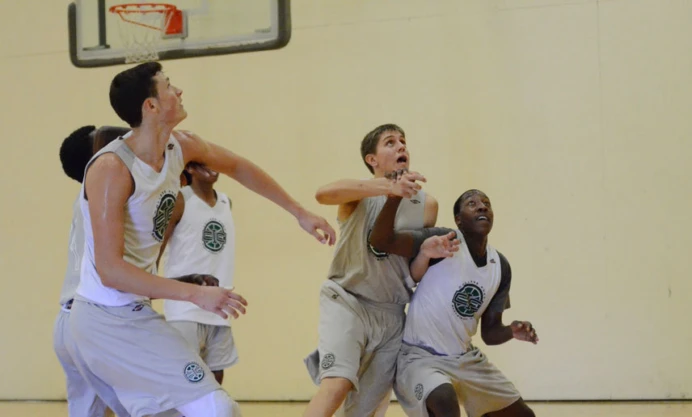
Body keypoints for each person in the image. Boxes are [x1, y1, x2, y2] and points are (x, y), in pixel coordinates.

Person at [68, 61, 336, 417]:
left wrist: (298, 211)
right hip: (104, 319)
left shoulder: (182, 146)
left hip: (132, 312)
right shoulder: (112, 169)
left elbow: (239, 167)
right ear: (150, 106)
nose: (178, 91)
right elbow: (111, 271)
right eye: (168, 86)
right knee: (216, 408)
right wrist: (197, 294)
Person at [303, 124, 438, 417]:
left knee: (366, 408)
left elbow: (413, 270)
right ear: (371, 159)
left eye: (403, 141)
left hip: (391, 312)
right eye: (390, 142)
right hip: (347, 300)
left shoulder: (427, 204)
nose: (401, 146)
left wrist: (427, 255)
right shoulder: (359, 192)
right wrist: (387, 187)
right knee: (337, 383)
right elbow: (322, 194)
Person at [369, 189, 539, 417]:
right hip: (420, 358)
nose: (482, 207)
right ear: (458, 220)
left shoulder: (500, 266)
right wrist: (394, 196)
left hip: (465, 359)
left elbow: (490, 333)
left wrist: (512, 331)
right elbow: (380, 240)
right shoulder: (443, 241)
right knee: (444, 400)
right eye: (472, 203)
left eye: (486, 203)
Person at [55, 124, 132, 417]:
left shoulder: (89, 195)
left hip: (67, 320)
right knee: (140, 406)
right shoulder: (104, 192)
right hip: (94, 318)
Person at [158, 162, 239, 386]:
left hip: (220, 307)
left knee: (216, 378)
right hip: (184, 309)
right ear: (190, 169)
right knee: (185, 380)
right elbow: (157, 249)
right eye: (204, 164)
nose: (214, 166)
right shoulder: (178, 199)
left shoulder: (225, 202)